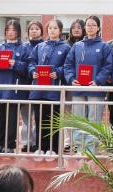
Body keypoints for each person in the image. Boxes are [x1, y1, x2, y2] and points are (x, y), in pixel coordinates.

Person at [63, 15, 113, 154]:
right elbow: (68, 64)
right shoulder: (77, 46)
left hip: (95, 89)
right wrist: (71, 79)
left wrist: (98, 80)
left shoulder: (104, 46)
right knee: (78, 120)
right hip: (78, 89)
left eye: (93, 25)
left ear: (98, 28)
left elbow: (107, 66)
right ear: (85, 27)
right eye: (88, 25)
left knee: (93, 119)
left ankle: (92, 149)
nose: (90, 27)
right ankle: (80, 148)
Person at [0, 20, 31, 153]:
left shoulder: (24, 48)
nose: (10, 32)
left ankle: (9, 144)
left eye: (14, 30)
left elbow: (27, 69)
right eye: (8, 30)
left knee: (11, 119)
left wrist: (15, 63)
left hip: (13, 89)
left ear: (18, 32)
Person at [28, 19, 70, 156]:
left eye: (55, 28)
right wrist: (32, 71)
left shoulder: (65, 48)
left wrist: (58, 72)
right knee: (39, 119)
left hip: (54, 90)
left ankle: (53, 148)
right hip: (38, 89)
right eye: (50, 28)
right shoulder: (39, 47)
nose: (52, 30)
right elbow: (31, 62)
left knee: (54, 120)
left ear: (60, 30)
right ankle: (41, 147)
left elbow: (68, 65)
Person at [20, 21, 43, 153]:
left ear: (41, 31)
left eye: (37, 29)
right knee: (26, 116)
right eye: (31, 29)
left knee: (39, 115)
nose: (34, 31)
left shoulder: (44, 45)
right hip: (25, 83)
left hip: (40, 85)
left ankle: (37, 141)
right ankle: (27, 141)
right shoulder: (23, 46)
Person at [63, 19, 86, 151]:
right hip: (69, 84)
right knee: (67, 113)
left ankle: (81, 141)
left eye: (79, 27)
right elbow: (66, 65)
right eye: (74, 27)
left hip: (85, 85)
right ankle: (68, 141)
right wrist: (70, 78)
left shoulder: (87, 44)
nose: (76, 30)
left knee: (81, 114)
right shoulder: (66, 45)